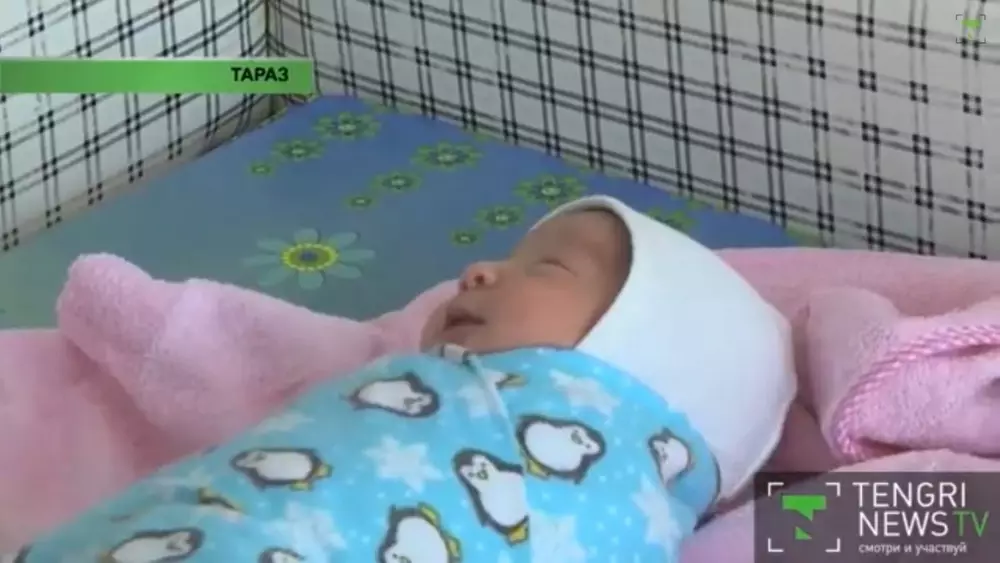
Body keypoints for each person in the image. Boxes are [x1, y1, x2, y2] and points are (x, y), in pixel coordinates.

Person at [6, 196, 794, 562]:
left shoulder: (631, 492)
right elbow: (225, 369)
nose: (478, 269)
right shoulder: (401, 376)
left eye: (547, 267)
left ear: (644, 344)